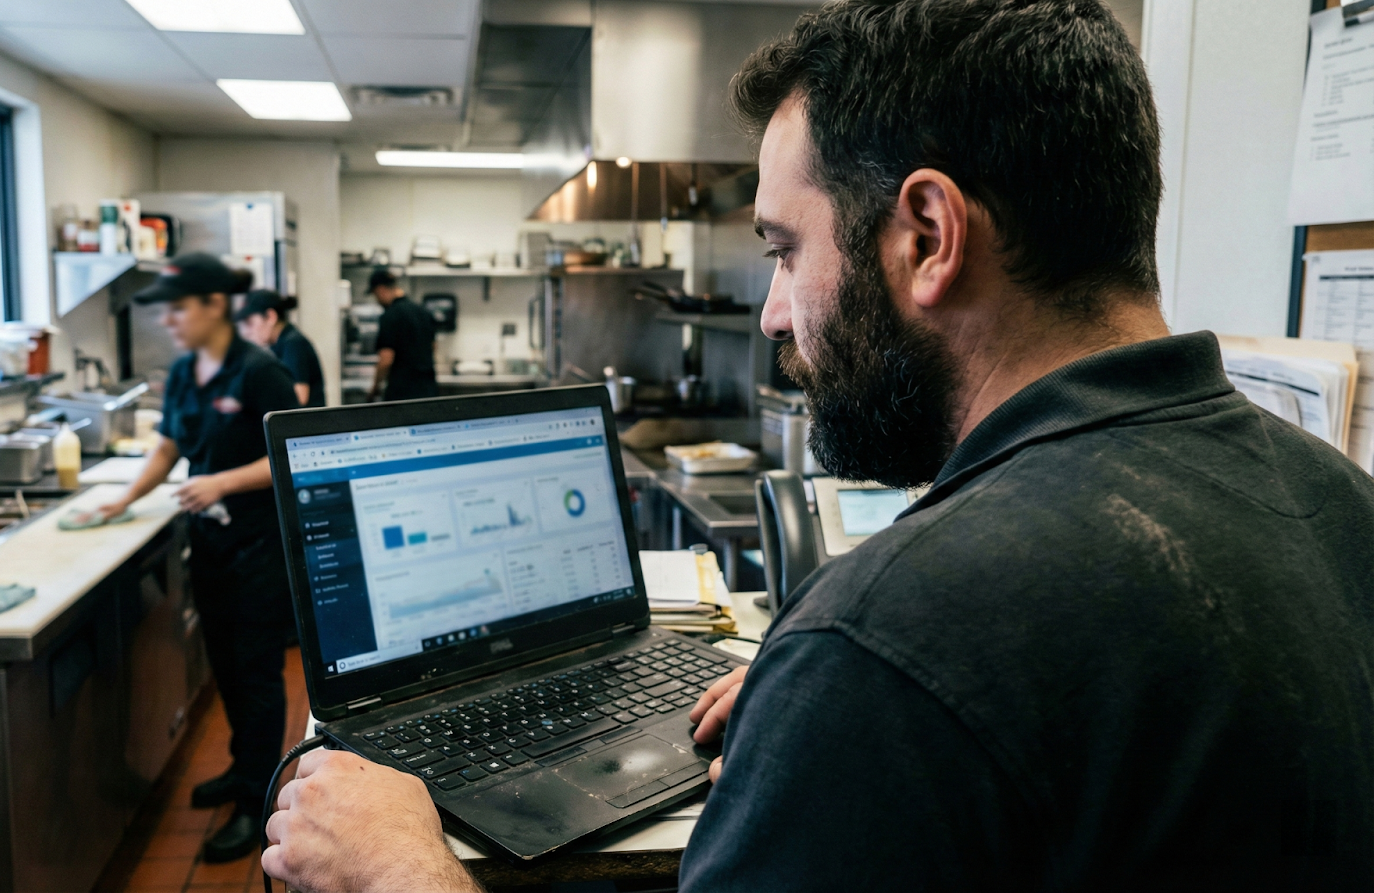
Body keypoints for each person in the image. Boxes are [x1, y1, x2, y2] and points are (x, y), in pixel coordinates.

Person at [259, 2, 1374, 891]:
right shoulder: (1334, 499)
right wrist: (830, 710)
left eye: (786, 250)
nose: (772, 314)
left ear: (927, 235)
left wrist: (400, 868)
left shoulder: (889, 637)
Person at [98, 253, 300, 864]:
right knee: (226, 669)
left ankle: (259, 801)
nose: (168, 320)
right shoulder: (187, 371)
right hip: (210, 549)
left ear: (215, 305)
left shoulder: (261, 371)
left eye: (178, 308)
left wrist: (221, 482)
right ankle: (243, 770)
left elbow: (289, 454)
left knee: (256, 676)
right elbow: (167, 445)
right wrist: (124, 498)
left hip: (259, 551)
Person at [235, 288, 326, 407]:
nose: (247, 332)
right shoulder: (279, 344)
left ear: (270, 317)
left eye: (250, 323)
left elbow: (299, 398)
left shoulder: (293, 343)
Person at [366, 268, 438, 401]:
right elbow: (433, 346)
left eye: (375, 295)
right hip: (428, 390)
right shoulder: (423, 312)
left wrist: (375, 387)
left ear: (380, 289)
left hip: (402, 393)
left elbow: (386, 359)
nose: (377, 300)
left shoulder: (390, 316)